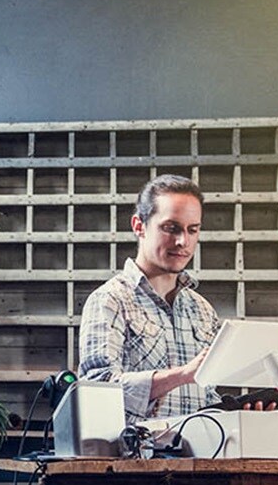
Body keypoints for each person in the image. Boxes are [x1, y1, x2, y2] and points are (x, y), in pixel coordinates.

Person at [77, 174, 230, 424]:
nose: (183, 242)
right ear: (139, 226)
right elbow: (97, 389)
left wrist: (239, 413)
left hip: (199, 458)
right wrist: (182, 374)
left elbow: (207, 397)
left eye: (193, 230)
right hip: (134, 459)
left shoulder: (202, 310)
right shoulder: (110, 300)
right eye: (171, 228)